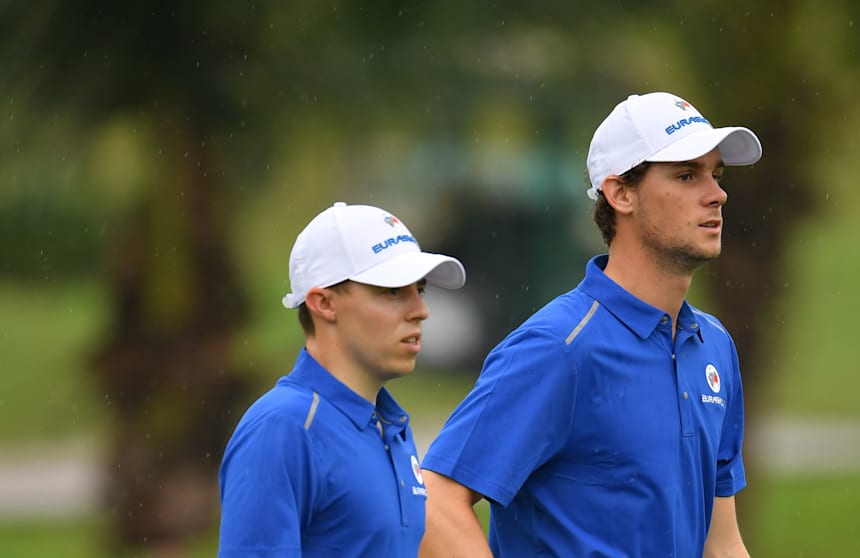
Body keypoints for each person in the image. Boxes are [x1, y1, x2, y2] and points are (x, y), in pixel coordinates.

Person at [419, 92, 762, 557]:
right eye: (686, 175)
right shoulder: (559, 347)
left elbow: (721, 544)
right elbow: (437, 500)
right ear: (620, 193)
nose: (717, 194)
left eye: (716, 176)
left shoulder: (715, 346)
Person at [218, 202, 466, 557]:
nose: (420, 310)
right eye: (393, 291)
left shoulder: (391, 428)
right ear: (323, 304)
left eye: (420, 290)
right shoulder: (283, 428)